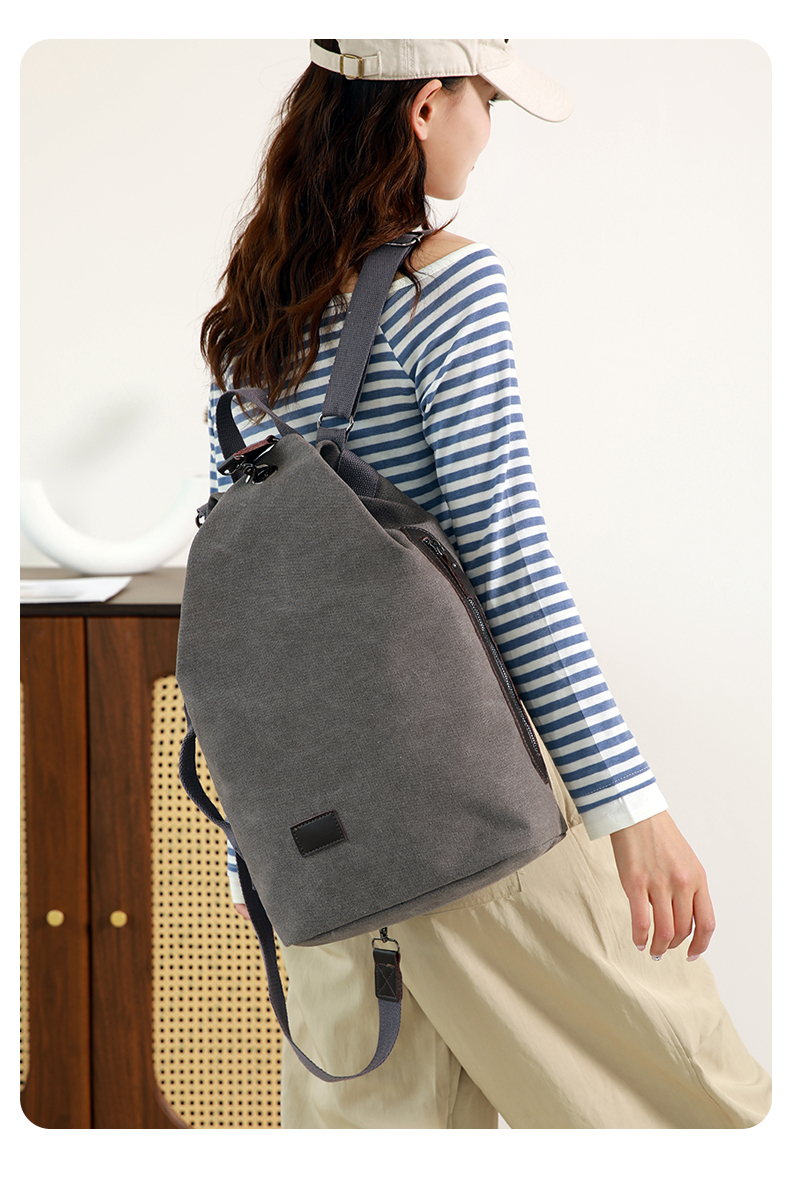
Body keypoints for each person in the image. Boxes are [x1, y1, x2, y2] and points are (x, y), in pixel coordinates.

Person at [199, 39, 771, 1128]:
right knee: (687, 1110)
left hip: (318, 848)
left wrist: (254, 848)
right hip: (469, 806)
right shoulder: (445, 281)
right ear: (427, 106)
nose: (487, 131)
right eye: (487, 102)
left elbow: (246, 604)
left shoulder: (251, 324)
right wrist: (629, 806)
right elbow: (504, 561)